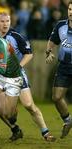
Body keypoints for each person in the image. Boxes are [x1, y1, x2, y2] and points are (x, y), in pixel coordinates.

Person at [0, 12, 56, 142]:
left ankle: (46, 132)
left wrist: (18, 66)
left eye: (7, 21)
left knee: (29, 105)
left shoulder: (16, 37)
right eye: (2, 21)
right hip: (0, 76)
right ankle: (15, 129)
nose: (5, 24)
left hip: (16, 75)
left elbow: (29, 54)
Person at [45, 0, 72, 139]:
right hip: (64, 66)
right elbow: (52, 41)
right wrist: (48, 52)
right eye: (70, 9)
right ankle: (68, 121)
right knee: (56, 97)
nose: (71, 12)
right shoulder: (61, 25)